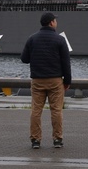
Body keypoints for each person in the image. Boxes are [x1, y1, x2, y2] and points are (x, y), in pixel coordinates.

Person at [21, 12, 72, 149]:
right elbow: (66, 63)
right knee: (56, 110)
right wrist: (67, 81)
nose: (56, 23)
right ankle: (57, 139)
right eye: (55, 21)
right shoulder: (60, 40)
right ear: (51, 23)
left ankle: (35, 140)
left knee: (36, 110)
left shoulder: (32, 39)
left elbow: (24, 59)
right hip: (55, 81)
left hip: (37, 80)